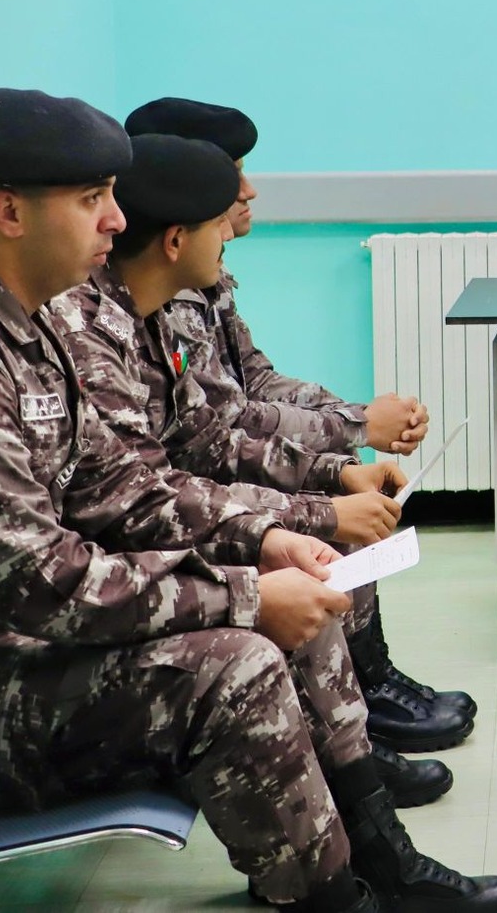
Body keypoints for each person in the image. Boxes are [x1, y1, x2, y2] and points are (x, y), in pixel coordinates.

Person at [0, 90, 497, 913]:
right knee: (235, 662)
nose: (115, 219)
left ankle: (382, 862)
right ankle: (330, 900)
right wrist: (247, 596)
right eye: (91, 199)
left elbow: (118, 487)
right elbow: (43, 582)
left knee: (287, 600)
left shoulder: (20, 323)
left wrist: (268, 541)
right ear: (9, 213)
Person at [48, 133, 459, 808]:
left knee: (319, 509)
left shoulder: (164, 302)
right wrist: (330, 483)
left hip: (165, 516)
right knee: (302, 554)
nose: (249, 191)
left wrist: (339, 460)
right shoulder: (97, 325)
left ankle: (357, 739)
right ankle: (349, 770)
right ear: (175, 235)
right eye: (232, 179)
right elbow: (181, 465)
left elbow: (223, 415)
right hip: (122, 554)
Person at [123, 98, 474, 753]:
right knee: (324, 510)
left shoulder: (202, 277)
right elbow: (218, 425)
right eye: (233, 173)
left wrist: (354, 421)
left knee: (337, 489)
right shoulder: (151, 295)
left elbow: (254, 378)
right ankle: (352, 720)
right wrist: (355, 429)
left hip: (200, 481)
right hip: (184, 494)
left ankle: (365, 686)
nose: (249, 190)